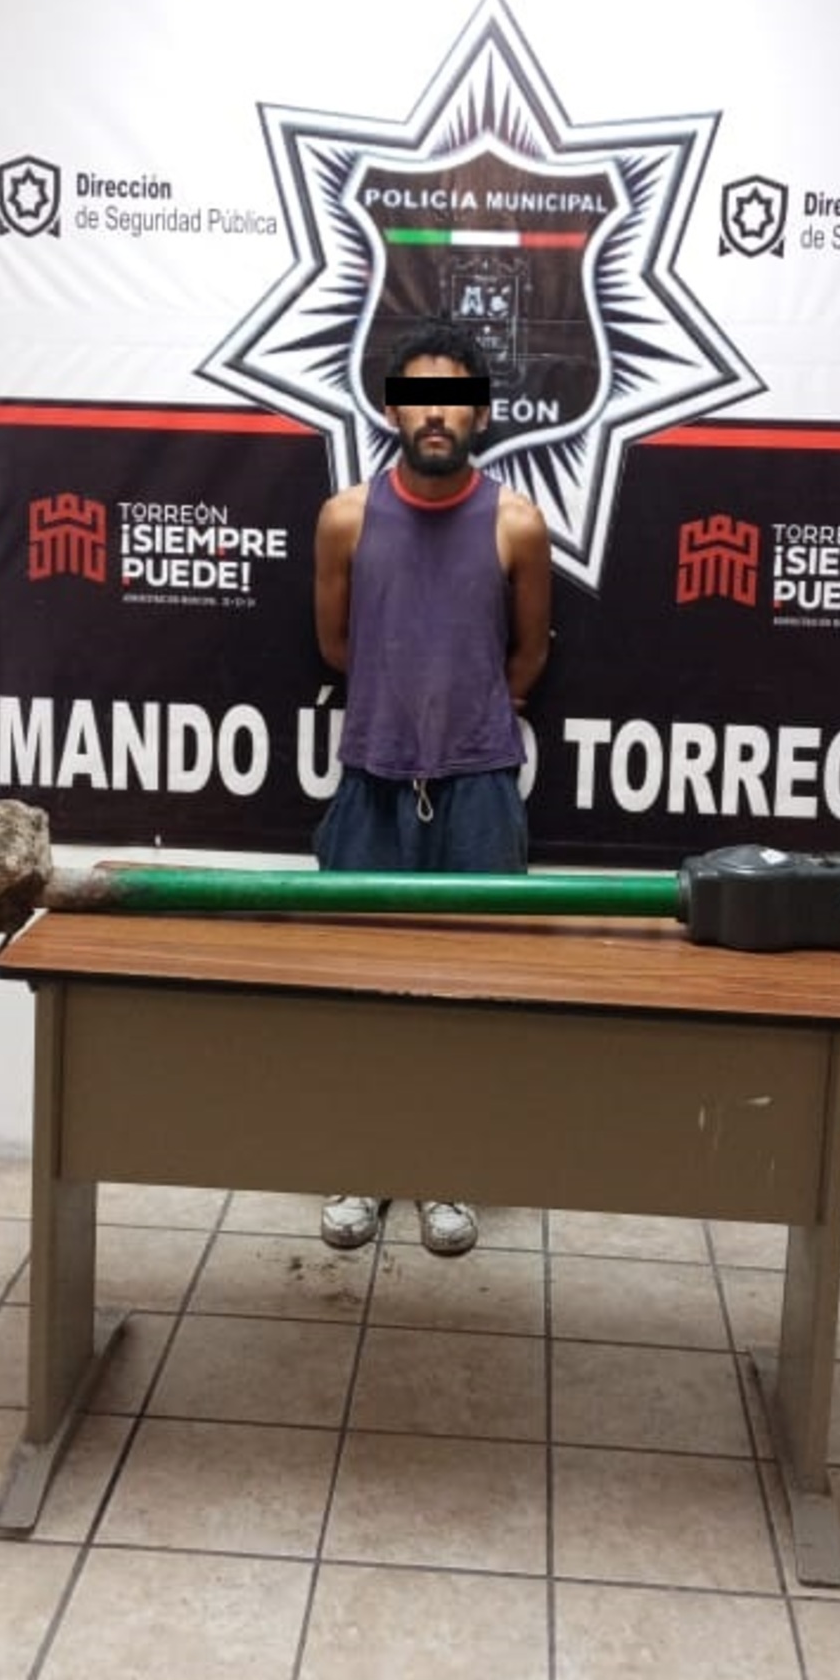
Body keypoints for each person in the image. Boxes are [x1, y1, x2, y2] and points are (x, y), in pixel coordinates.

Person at [313, 322, 552, 1255]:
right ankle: (362, 1161)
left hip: (480, 789)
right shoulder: (346, 518)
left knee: (471, 987)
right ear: (391, 410)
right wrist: (400, 714)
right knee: (359, 987)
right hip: (371, 780)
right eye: (418, 397)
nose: (436, 414)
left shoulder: (516, 522)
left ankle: (448, 1167)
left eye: (453, 397)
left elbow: (527, 655)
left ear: (481, 413)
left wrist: (466, 720)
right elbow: (338, 645)